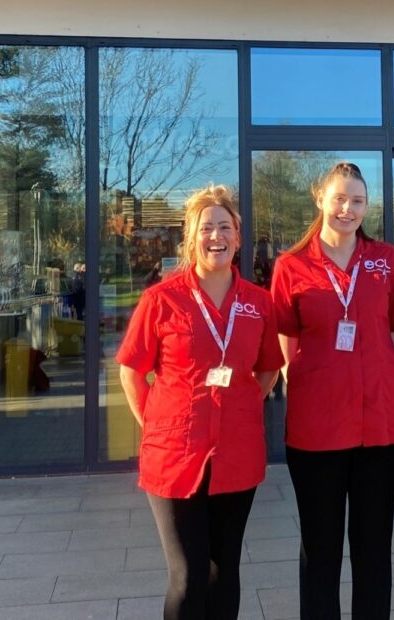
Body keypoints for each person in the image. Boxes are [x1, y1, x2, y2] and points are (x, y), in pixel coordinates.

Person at [117, 185, 283, 620]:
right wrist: (156, 423)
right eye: (206, 228)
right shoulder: (162, 299)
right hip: (174, 456)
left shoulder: (258, 303)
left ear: (238, 237)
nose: (216, 236)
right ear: (191, 238)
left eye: (225, 227)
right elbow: (131, 371)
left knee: (223, 571)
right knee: (188, 576)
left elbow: (268, 368)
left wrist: (241, 405)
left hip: (237, 453)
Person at [270, 161, 394, 620]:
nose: (347, 209)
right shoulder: (291, 265)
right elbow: (285, 336)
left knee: (373, 546)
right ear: (319, 198)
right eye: (339, 198)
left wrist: (377, 372)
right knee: (321, 547)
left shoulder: (385, 260)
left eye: (357, 201)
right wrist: (308, 380)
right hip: (317, 428)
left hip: (380, 424)